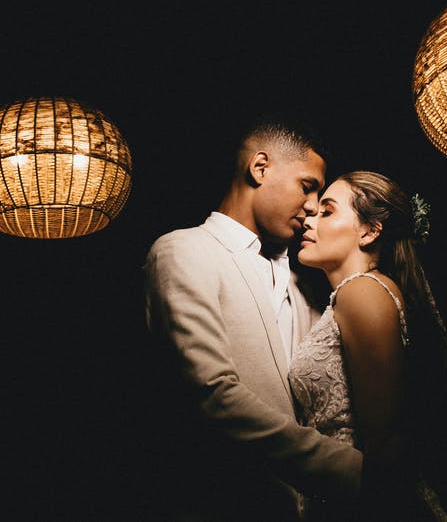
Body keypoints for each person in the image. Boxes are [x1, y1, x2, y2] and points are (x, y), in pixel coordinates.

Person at [143, 119, 363, 521]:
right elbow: (212, 394)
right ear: (260, 168)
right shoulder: (183, 251)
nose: (313, 205)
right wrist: (355, 472)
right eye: (307, 186)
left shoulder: (306, 286)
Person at [289, 171, 447, 521]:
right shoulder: (356, 294)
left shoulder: (361, 292)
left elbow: (387, 445)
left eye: (327, 211)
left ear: (369, 231)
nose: (309, 219)